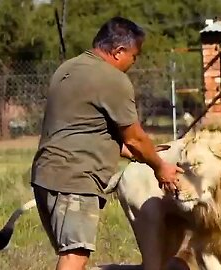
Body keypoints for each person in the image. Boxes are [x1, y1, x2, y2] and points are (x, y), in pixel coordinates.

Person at [30, 16, 184, 270]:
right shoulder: (112, 79)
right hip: (75, 178)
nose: (134, 62)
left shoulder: (67, 68)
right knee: (75, 256)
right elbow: (134, 137)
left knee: (70, 254)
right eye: (134, 56)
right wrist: (160, 167)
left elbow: (83, 128)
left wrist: (137, 154)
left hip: (46, 175)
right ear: (118, 51)